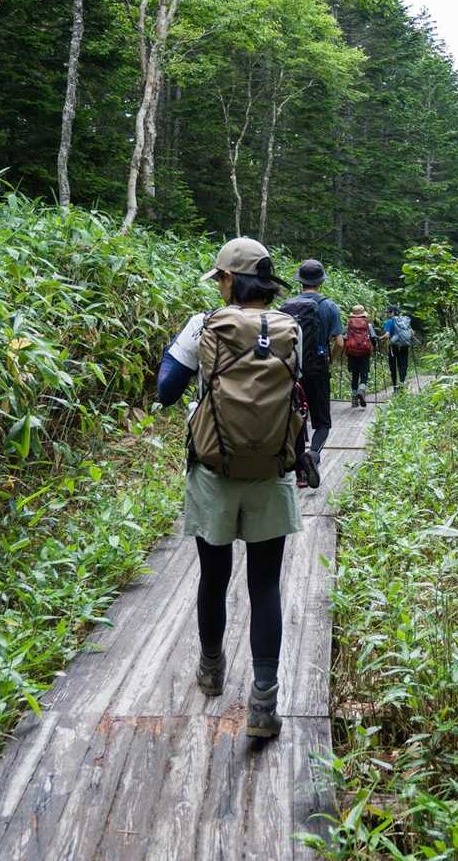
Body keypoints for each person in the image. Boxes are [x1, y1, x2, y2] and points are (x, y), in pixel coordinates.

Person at [156, 237, 304, 739]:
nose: (218, 286)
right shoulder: (290, 328)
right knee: (265, 584)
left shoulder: (204, 325)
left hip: (214, 470)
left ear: (230, 279)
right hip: (272, 472)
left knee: (214, 576)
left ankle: (212, 670)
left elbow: (166, 391)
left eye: (220, 277)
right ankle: (263, 702)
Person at [281, 259, 343, 466]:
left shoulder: (286, 307)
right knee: (322, 423)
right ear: (321, 282)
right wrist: (330, 361)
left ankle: (298, 467)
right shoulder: (329, 306)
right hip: (318, 368)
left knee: (296, 418)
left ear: (300, 281)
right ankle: (313, 455)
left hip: (290, 371)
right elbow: (340, 343)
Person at [344, 304, 375, 407]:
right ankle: (361, 391)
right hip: (365, 352)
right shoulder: (368, 324)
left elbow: (344, 337)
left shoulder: (349, 324)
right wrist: (373, 348)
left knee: (355, 375)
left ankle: (354, 399)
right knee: (364, 373)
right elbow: (373, 337)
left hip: (352, 353)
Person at [383, 304, 415, 390]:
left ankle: (395, 386)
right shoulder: (404, 321)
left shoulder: (389, 322)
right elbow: (412, 333)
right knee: (403, 364)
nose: (387, 314)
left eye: (388, 312)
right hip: (404, 346)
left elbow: (387, 335)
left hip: (393, 347)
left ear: (393, 312)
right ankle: (402, 383)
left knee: (393, 366)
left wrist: (379, 338)